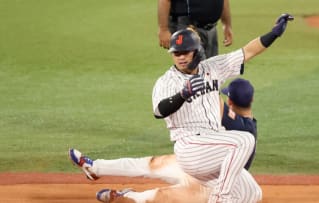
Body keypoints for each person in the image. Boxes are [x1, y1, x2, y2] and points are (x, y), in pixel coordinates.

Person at [71, 13, 294, 203]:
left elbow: (247, 52)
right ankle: (219, 199)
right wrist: (182, 94)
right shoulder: (166, 81)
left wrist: (274, 33)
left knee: (252, 192)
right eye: (176, 53)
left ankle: (122, 191)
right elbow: (159, 111)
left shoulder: (213, 68)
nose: (180, 57)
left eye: (185, 52)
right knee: (244, 140)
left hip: (212, 149)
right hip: (190, 147)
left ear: (197, 51)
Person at [69, 78, 258, 202]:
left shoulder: (236, 127)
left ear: (231, 102)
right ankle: (94, 168)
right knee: (153, 164)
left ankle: (127, 196)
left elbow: (214, 102)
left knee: (162, 196)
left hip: (211, 185)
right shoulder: (246, 127)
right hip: (197, 167)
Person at [158, 0, 233, 58]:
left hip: (211, 27)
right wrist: (163, 29)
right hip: (187, 26)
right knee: (192, 69)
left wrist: (227, 25)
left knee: (211, 69)